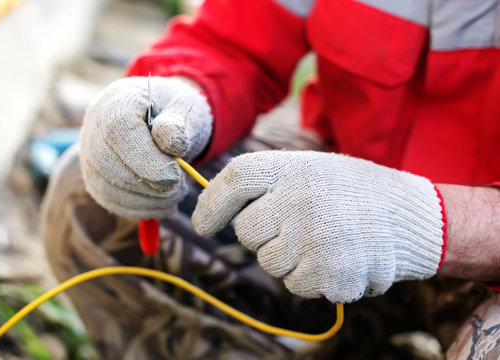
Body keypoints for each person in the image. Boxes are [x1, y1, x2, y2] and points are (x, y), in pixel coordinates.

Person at [42, 0, 500, 358]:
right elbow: (234, 41)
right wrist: (183, 97)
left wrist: (432, 223)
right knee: (93, 200)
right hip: (334, 193)